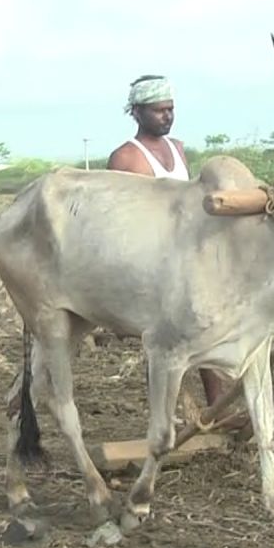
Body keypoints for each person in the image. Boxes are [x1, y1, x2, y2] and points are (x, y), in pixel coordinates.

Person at [107, 74, 235, 423]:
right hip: (151, 261)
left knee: (204, 329)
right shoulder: (126, 158)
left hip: (189, 255)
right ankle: (166, 417)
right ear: (137, 112)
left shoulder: (177, 149)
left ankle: (216, 408)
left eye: (171, 109)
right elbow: (122, 219)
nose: (167, 116)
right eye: (159, 110)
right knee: (164, 341)